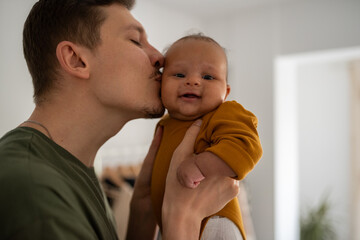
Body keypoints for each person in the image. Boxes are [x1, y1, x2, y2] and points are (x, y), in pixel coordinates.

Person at [0, 1, 240, 240]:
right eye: (136, 41)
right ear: (75, 59)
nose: (159, 57)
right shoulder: (33, 191)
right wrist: (183, 217)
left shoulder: (72, 170)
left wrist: (142, 214)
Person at [150, 34, 263, 240]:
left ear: (226, 92)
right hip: (171, 226)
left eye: (208, 77)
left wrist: (199, 165)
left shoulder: (224, 113)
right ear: (161, 82)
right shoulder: (165, 125)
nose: (192, 81)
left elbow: (246, 149)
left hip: (216, 222)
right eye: (179, 74)